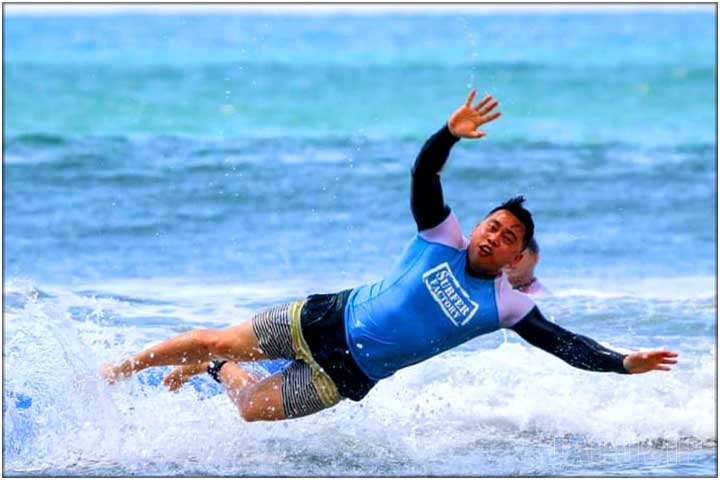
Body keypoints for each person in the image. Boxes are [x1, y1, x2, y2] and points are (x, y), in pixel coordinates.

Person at [102, 90, 678, 422]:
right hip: (323, 318)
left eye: (507, 239)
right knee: (217, 336)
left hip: (348, 375)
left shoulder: (506, 305)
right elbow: (424, 172)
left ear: (513, 260)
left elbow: (568, 345)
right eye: (493, 225)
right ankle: (116, 372)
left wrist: (624, 363)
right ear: (477, 225)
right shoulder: (440, 235)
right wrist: (449, 133)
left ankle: (216, 374)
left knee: (250, 409)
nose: (493, 237)